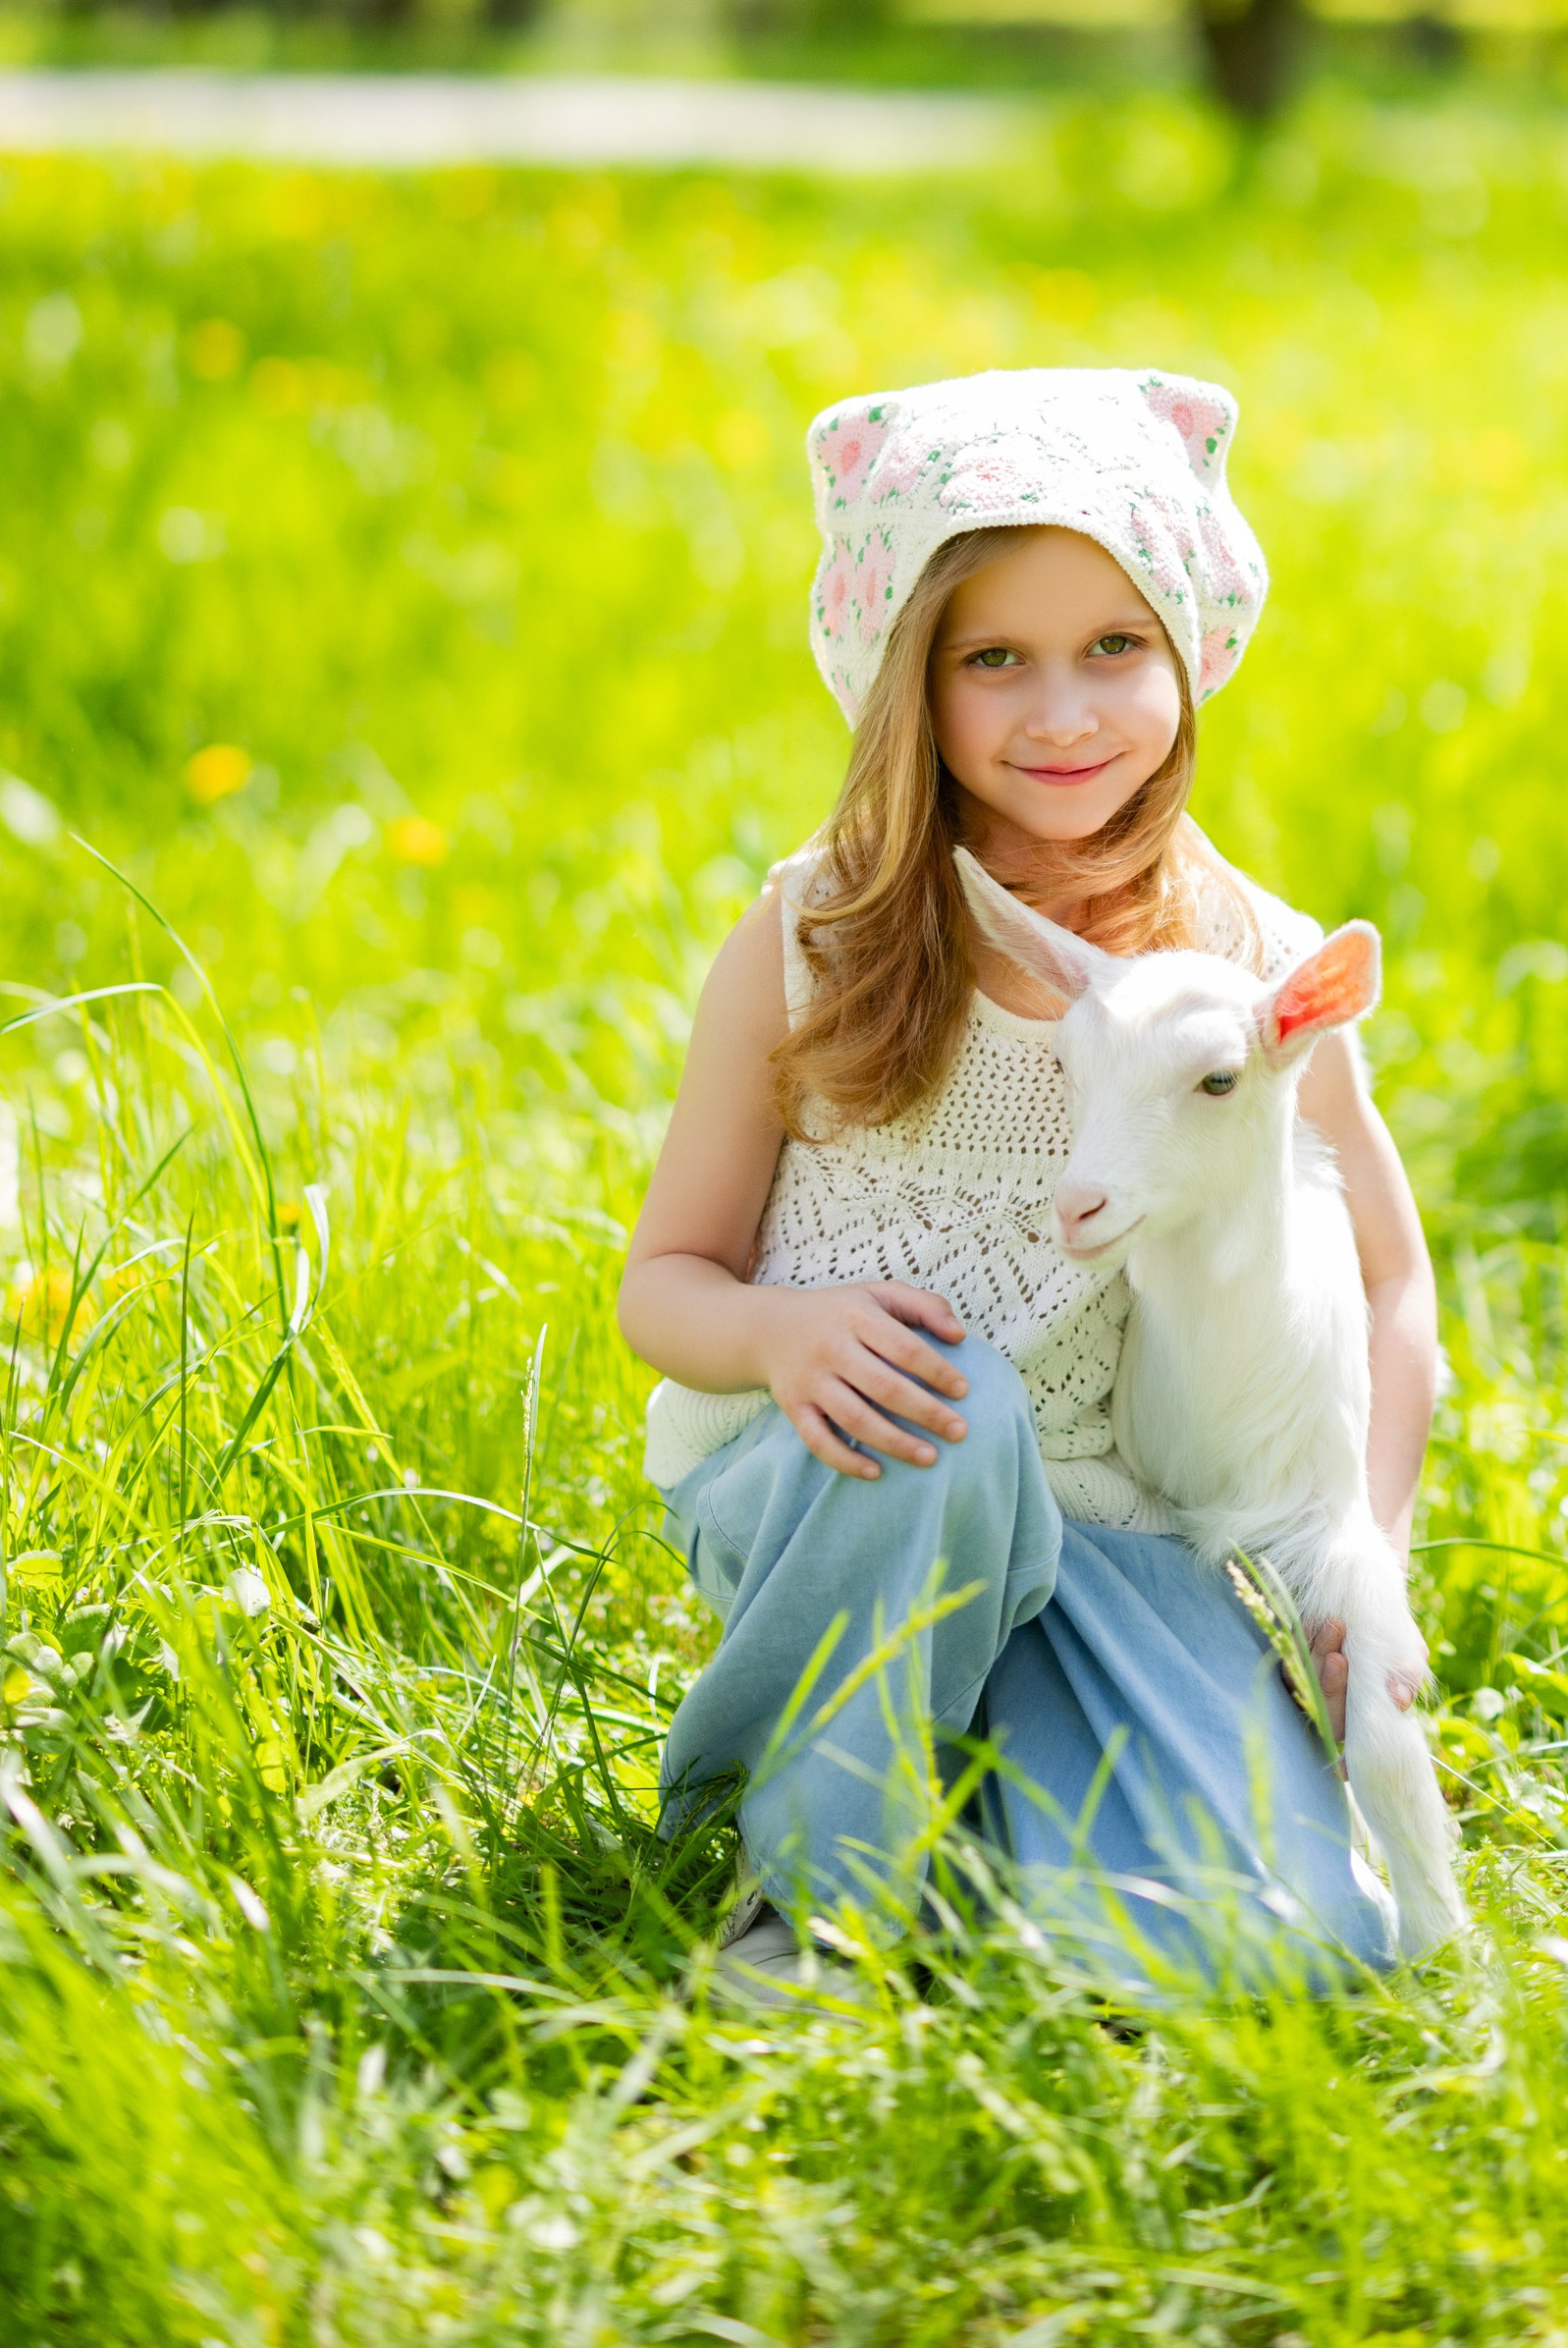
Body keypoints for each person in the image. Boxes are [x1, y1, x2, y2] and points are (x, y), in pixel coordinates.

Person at [616, 365, 1440, 1997]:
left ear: (1188, 656)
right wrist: (781, 1339)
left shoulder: (1250, 973)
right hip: (841, 1483)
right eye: (996, 659)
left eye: (1112, 649)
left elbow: (1390, 1278)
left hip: (1109, 1540)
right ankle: (820, 1897)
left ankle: (996, 1829)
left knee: (1288, 1951)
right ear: (909, 684)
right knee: (957, 1407)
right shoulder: (815, 939)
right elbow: (666, 1284)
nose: (1062, 714)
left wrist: (1364, 1547)